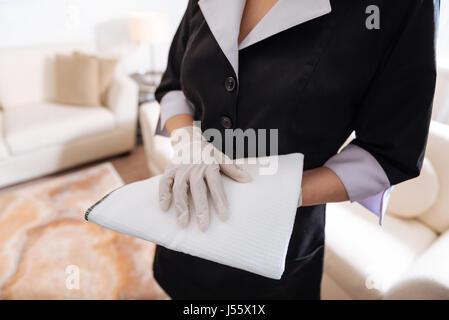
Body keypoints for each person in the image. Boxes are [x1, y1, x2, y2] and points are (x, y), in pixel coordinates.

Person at [153, 0, 438, 299]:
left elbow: (389, 152)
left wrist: (277, 190)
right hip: (184, 228)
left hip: (273, 256)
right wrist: (188, 141)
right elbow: (173, 83)